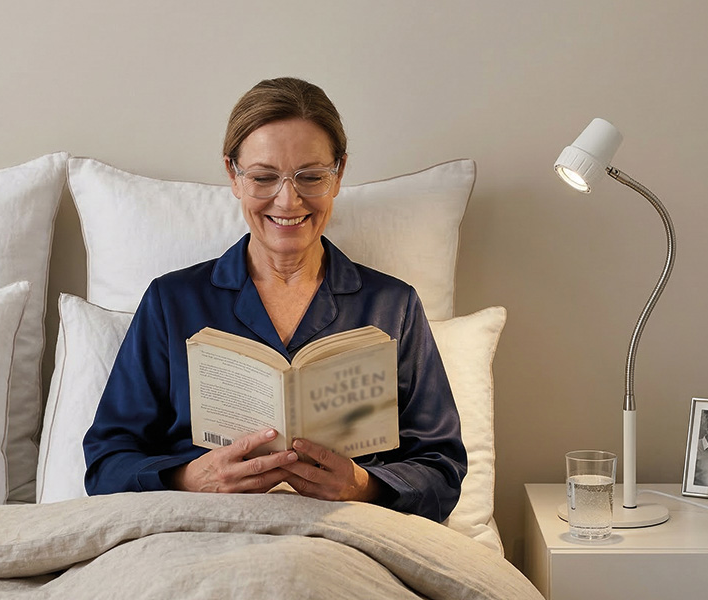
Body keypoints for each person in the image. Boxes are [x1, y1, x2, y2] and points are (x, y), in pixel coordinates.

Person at [83, 77, 467, 523]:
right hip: (200, 533)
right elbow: (106, 463)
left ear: (338, 174)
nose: (288, 200)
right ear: (233, 176)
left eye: (311, 176)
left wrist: (362, 486)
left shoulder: (393, 306)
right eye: (264, 177)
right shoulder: (171, 301)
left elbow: (443, 469)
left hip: (345, 540)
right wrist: (190, 479)